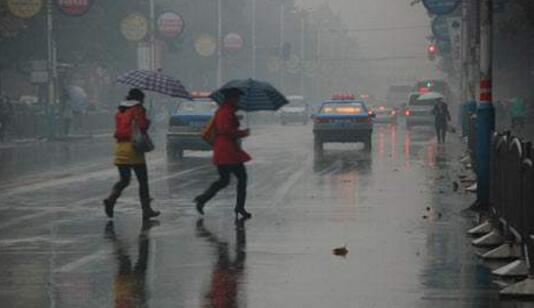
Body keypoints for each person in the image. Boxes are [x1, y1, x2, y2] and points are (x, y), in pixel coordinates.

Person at [194, 88, 252, 219]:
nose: (239, 101)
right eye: (237, 98)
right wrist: (243, 133)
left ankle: (203, 199)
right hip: (227, 151)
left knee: (225, 180)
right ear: (231, 98)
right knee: (239, 178)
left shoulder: (226, 111)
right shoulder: (225, 112)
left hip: (226, 150)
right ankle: (239, 207)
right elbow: (226, 130)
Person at [103, 88, 160, 220]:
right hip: (134, 149)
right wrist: (147, 118)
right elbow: (143, 126)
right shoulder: (138, 109)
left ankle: (111, 199)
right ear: (139, 98)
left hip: (120, 148)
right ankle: (146, 210)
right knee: (143, 181)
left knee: (124, 180)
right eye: (143, 99)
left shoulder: (121, 110)